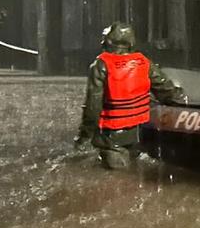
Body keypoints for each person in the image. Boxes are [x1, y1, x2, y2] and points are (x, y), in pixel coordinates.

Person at [75, 21, 188, 169]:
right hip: (138, 132)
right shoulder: (144, 62)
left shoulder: (100, 66)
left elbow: (93, 106)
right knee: (135, 171)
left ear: (107, 42)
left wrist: (84, 135)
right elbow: (166, 90)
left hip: (111, 136)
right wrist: (183, 100)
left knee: (115, 181)